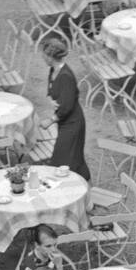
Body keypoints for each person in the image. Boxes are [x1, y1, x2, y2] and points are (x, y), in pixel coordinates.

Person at [40, 38, 91, 180]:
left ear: (50, 57)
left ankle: (80, 188)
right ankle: (85, 188)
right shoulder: (53, 70)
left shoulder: (65, 76)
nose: (42, 57)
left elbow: (67, 106)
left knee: (63, 158)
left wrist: (50, 121)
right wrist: (52, 100)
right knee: (72, 157)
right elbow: (52, 89)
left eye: (44, 55)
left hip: (73, 123)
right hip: (65, 122)